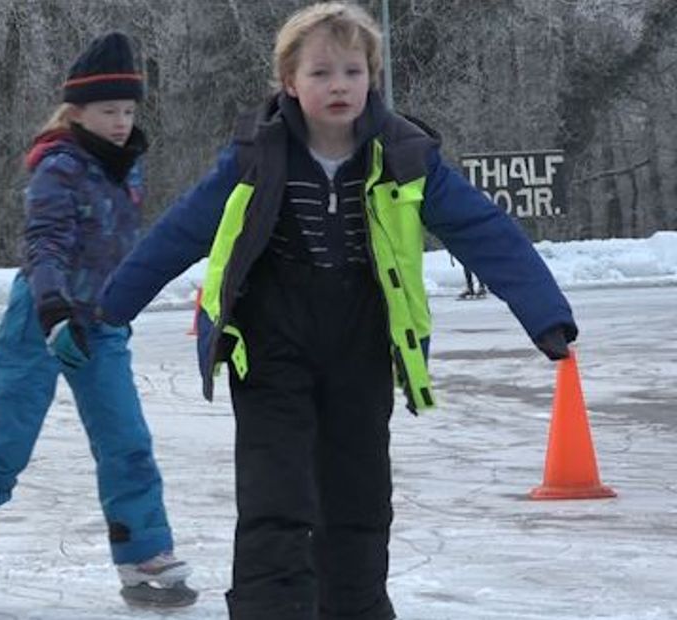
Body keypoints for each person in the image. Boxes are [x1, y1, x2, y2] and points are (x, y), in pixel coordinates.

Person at [97, 3, 577, 619]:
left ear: (371, 77)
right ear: (289, 82)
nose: (339, 85)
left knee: (360, 494)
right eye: (321, 73)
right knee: (277, 492)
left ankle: (357, 607)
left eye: (352, 71)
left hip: (363, 339)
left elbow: (482, 230)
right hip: (269, 340)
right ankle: (270, 609)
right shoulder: (257, 153)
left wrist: (546, 315)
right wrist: (112, 306)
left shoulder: (406, 152)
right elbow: (182, 230)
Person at [0, 32, 196, 612]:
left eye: (128, 110)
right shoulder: (58, 168)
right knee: (6, 440)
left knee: (126, 437)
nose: (122, 122)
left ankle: (142, 550)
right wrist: (52, 312)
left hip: (103, 320)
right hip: (41, 316)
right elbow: (43, 246)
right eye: (109, 111)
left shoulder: (128, 166)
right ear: (77, 112)